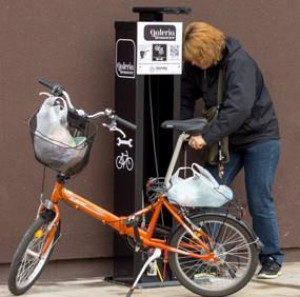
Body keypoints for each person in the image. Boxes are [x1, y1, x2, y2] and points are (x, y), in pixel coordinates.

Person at [180, 21, 283, 279]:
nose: (193, 64)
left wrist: (206, 136)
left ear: (209, 51)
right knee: (207, 192)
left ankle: (271, 258)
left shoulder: (240, 63)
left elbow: (239, 108)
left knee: (259, 198)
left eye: (197, 58)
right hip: (226, 139)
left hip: (260, 138)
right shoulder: (198, 67)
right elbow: (184, 95)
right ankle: (205, 255)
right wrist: (182, 128)